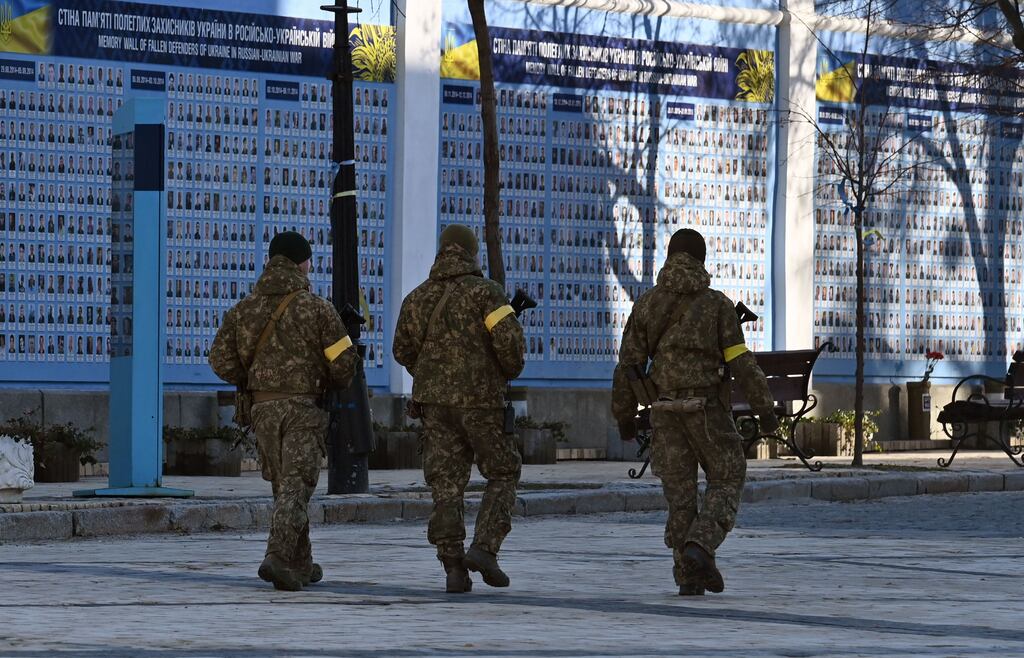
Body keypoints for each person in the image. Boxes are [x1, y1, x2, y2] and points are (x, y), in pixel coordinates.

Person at [611, 228, 778, 596]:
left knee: (681, 494)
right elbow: (741, 363)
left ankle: (688, 575)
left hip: (664, 411)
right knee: (728, 475)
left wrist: (623, 416)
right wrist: (766, 410)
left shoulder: (647, 305)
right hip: (707, 411)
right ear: (701, 260)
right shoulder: (718, 305)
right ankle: (700, 547)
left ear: (669, 258)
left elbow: (629, 365)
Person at [209, 231, 358, 591]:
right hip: (303, 407)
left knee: (285, 484)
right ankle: (277, 555)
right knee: (297, 484)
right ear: (302, 263)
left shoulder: (243, 309)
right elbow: (344, 366)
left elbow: (219, 360)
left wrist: (254, 377)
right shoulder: (317, 308)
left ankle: (300, 562)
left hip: (261, 409)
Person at [392, 224, 525, 593]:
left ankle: (453, 566)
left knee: (446, 485)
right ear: (473, 253)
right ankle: (484, 548)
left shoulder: (417, 298)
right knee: (503, 473)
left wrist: (432, 373)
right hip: (481, 403)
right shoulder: (488, 295)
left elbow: (401, 351)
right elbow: (511, 353)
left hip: (434, 407)